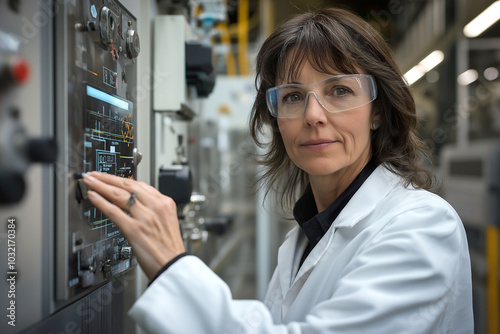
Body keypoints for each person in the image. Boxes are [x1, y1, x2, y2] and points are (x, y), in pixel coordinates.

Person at [82, 7, 474, 333]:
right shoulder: (303, 239)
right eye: (293, 96)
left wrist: (174, 267)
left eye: (340, 90)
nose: (314, 116)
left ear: (377, 111)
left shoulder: (421, 225)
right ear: (275, 118)